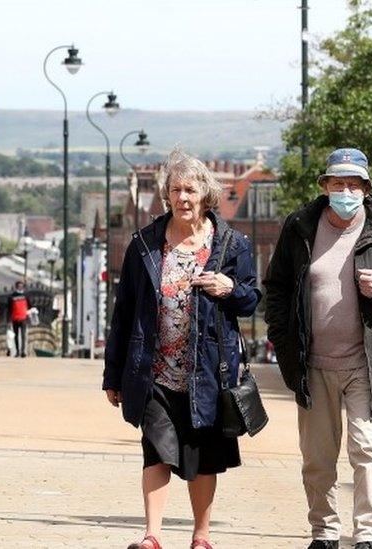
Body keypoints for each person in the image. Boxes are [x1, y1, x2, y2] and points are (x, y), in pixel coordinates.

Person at [264, 148, 372, 549]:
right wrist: (283, 342)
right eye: (338, 183)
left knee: (367, 450)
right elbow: (278, 288)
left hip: (367, 361)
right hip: (312, 361)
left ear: (367, 188)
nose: (346, 191)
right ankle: (324, 532)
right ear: (324, 186)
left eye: (354, 184)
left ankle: (369, 536)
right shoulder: (300, 226)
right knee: (318, 460)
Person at [103, 150, 260, 549]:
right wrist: (113, 374)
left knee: (204, 456)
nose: (183, 197)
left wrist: (229, 288)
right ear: (166, 195)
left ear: (205, 194)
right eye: (176, 189)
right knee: (155, 449)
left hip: (208, 370)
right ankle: (152, 535)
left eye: (191, 189)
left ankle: (201, 536)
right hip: (153, 368)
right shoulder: (145, 244)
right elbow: (123, 313)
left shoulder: (231, 245)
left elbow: (250, 300)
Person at [9, 281, 30, 357]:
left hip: (23, 317)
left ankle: (23, 351)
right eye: (19, 286)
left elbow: (29, 305)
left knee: (23, 335)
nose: (20, 287)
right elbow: (9, 308)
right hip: (15, 318)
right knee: (16, 335)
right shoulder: (12, 296)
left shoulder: (26, 295)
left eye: (22, 286)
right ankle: (17, 351)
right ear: (16, 286)